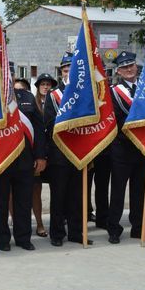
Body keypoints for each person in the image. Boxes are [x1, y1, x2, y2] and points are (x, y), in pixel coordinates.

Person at [107, 51, 145, 244]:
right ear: (118, 70)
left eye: (131, 66)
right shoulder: (114, 92)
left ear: (136, 67)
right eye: (124, 67)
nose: (129, 69)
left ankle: (138, 228)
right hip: (122, 147)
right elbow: (115, 118)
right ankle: (114, 229)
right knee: (118, 192)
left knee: (140, 192)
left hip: (143, 148)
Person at [0, 81, 47, 251]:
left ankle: (23, 238)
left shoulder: (27, 97)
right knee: (1, 202)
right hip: (0, 159)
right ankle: (2, 238)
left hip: (25, 159)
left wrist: (40, 156)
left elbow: (39, 129)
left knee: (23, 201)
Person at [42, 68, 89, 247]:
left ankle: (76, 232)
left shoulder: (84, 93)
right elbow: (49, 123)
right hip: (59, 154)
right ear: (62, 73)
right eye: (66, 70)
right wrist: (71, 122)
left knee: (77, 196)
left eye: (74, 69)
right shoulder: (54, 95)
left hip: (79, 152)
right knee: (59, 196)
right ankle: (57, 233)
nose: (69, 72)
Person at [32, 73, 55, 238]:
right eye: (43, 84)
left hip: (52, 152)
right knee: (34, 189)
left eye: (48, 84)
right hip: (37, 152)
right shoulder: (32, 104)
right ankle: (37, 223)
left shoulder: (56, 101)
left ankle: (52, 222)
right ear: (38, 86)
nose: (46, 87)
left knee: (54, 190)